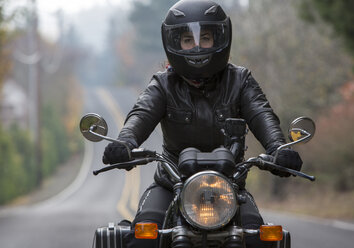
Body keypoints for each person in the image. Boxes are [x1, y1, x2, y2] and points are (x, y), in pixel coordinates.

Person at [102, 0, 302, 247]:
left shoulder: (240, 81)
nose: (197, 46)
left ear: (219, 39)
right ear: (175, 43)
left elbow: (263, 115)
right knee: (143, 238)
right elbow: (140, 115)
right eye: (188, 40)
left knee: (259, 239)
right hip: (170, 184)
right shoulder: (163, 84)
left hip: (230, 190)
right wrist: (125, 143)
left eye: (204, 38)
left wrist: (279, 149)